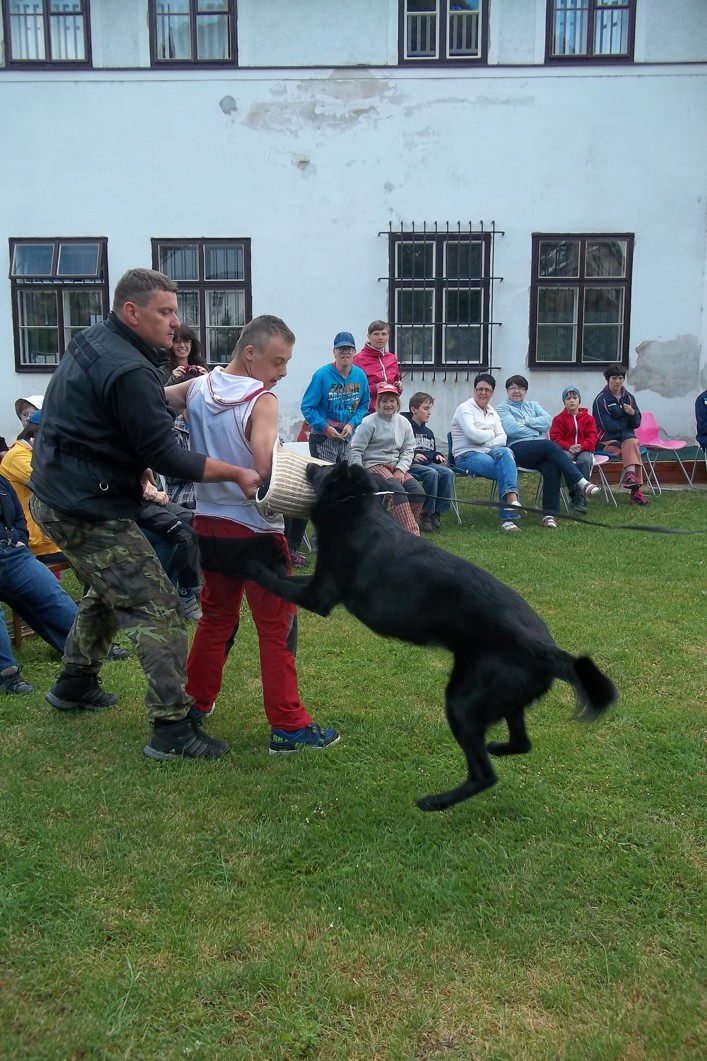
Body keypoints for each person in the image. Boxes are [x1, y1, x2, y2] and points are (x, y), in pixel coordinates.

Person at [29, 267, 260, 760]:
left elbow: (123, 409)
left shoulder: (97, 339)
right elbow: (167, 455)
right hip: (83, 506)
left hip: (59, 492)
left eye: (176, 311)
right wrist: (237, 473)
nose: (176, 322)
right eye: (166, 312)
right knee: (157, 607)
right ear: (132, 312)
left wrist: (188, 393)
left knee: (109, 587)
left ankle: (74, 683)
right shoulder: (129, 367)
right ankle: (171, 729)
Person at [164, 314, 340, 754]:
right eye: (278, 361)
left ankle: (194, 703)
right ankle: (289, 726)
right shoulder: (262, 401)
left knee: (215, 620)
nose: (283, 372)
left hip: (208, 524)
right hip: (256, 531)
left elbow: (154, 399)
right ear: (250, 353)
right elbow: (264, 470)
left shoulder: (198, 387)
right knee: (276, 629)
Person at [0, 474, 86, 695]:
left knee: (50, 593)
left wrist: (20, 538)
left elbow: (18, 516)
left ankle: (85, 648)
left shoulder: (1, 481)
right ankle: (6, 674)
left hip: (11, 554)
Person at [497, 375, 600, 528]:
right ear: (507, 391)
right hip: (518, 449)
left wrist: (525, 422)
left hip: (540, 451)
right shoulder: (503, 408)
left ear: (526, 391)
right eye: (512, 388)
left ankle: (549, 515)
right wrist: (536, 431)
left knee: (552, 467)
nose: (516, 391)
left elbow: (546, 422)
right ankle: (581, 482)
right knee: (548, 445)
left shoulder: (533, 405)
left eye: (521, 388)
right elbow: (512, 429)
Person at [348, 383, 425, 535]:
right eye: (384, 401)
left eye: (392, 401)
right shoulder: (368, 422)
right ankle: (411, 535)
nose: (388, 404)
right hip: (374, 465)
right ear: (378, 403)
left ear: (397, 402)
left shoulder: (404, 422)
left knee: (418, 492)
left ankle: (397, 531)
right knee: (397, 491)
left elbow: (409, 449)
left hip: (395, 467)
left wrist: (401, 469)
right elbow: (355, 450)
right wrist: (359, 475)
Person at [450, 374, 522, 532]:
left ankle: (510, 503)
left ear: (492, 392)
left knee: (506, 451)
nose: (483, 393)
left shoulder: (492, 412)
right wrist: (490, 433)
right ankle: (509, 513)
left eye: (487, 390)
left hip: (488, 452)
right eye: (479, 389)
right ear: (474, 390)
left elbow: (503, 438)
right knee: (506, 469)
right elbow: (472, 435)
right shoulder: (465, 408)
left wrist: (484, 441)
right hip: (466, 455)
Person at [301, 331, 370, 463]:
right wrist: (325, 427)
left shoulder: (360, 375)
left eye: (349, 349)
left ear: (354, 352)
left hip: (346, 439)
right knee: (326, 476)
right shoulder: (322, 375)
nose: (345, 353)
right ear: (334, 352)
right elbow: (307, 407)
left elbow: (363, 405)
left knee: (345, 476)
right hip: (322, 438)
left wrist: (351, 424)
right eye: (341, 349)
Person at [592, 364, 648, 505]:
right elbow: (608, 426)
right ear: (608, 379)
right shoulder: (601, 400)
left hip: (626, 439)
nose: (618, 381)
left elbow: (637, 423)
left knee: (632, 443)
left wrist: (632, 413)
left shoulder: (629, 398)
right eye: (614, 378)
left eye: (621, 378)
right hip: (606, 441)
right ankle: (635, 492)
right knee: (633, 451)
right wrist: (626, 419)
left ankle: (630, 478)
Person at [401, 391, 455, 531]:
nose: (429, 412)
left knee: (448, 472)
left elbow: (431, 451)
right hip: (410, 464)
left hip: (428, 463)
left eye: (430, 409)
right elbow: (399, 448)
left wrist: (437, 455)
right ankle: (426, 513)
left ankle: (437, 511)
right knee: (432, 473)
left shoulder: (429, 432)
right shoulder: (405, 427)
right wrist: (413, 455)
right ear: (414, 409)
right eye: (425, 408)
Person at [549, 386, 598, 514]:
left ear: (579, 400)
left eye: (574, 397)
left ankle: (579, 495)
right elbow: (555, 438)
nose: (572, 401)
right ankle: (574, 492)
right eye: (568, 398)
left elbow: (592, 437)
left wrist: (582, 446)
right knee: (564, 459)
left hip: (585, 449)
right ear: (564, 402)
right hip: (567, 449)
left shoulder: (589, 419)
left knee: (586, 460)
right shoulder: (558, 419)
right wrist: (568, 446)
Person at [353, 320, 403, 413]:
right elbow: (353, 390)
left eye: (384, 334)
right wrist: (375, 388)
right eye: (376, 334)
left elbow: (395, 386)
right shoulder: (358, 359)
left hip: (389, 411)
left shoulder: (392, 358)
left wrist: (399, 388)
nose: (380, 337)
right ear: (369, 336)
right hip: (367, 412)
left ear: (388, 336)